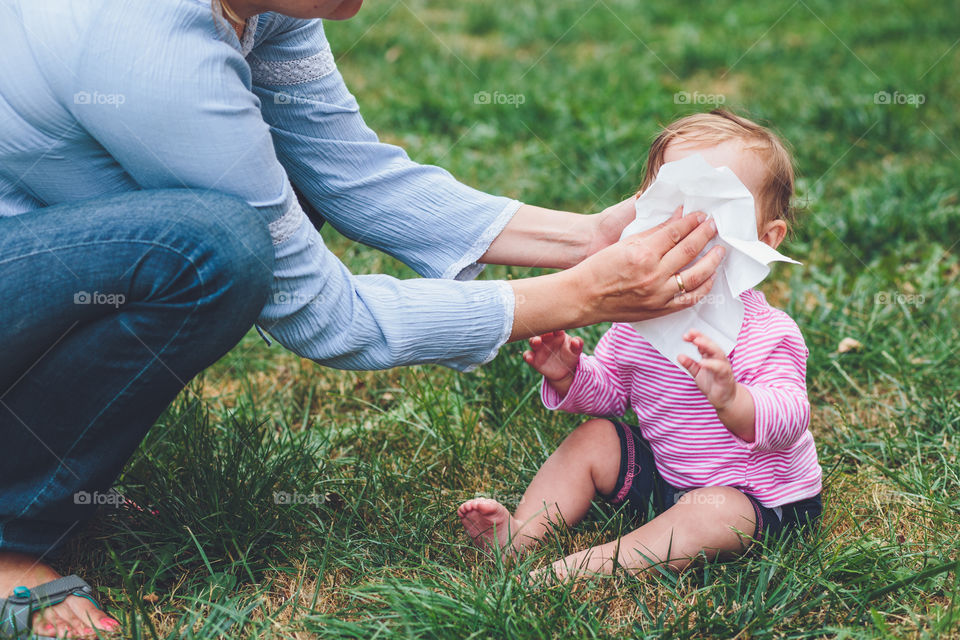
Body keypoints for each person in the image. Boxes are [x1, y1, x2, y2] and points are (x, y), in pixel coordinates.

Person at [0, 0, 725, 636]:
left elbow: (349, 171)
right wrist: (581, 296)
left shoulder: (268, 6)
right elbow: (325, 315)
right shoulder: (148, 49)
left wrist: (589, 239)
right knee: (219, 249)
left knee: (266, 199)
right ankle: (11, 533)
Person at [458, 110, 823, 582]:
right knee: (595, 436)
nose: (690, 225)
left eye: (715, 208)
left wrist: (734, 400)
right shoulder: (640, 320)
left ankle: (586, 568)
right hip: (667, 479)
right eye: (673, 200)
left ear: (766, 238)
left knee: (713, 514)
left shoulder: (768, 332)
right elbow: (612, 392)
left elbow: (792, 418)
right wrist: (571, 373)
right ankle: (520, 535)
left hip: (757, 500)